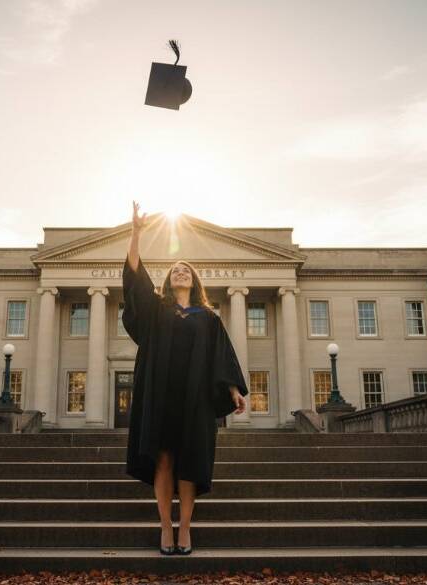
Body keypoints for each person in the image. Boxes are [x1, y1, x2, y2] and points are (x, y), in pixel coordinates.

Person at [121, 200, 249, 556]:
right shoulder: (156, 310)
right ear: (168, 279)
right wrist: (136, 232)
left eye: (186, 270)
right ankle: (165, 528)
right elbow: (134, 277)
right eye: (175, 269)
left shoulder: (207, 318)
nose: (180, 272)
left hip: (195, 400)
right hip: (161, 396)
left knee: (190, 462)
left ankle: (186, 530)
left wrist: (235, 389)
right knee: (163, 460)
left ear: (194, 280)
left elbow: (222, 355)